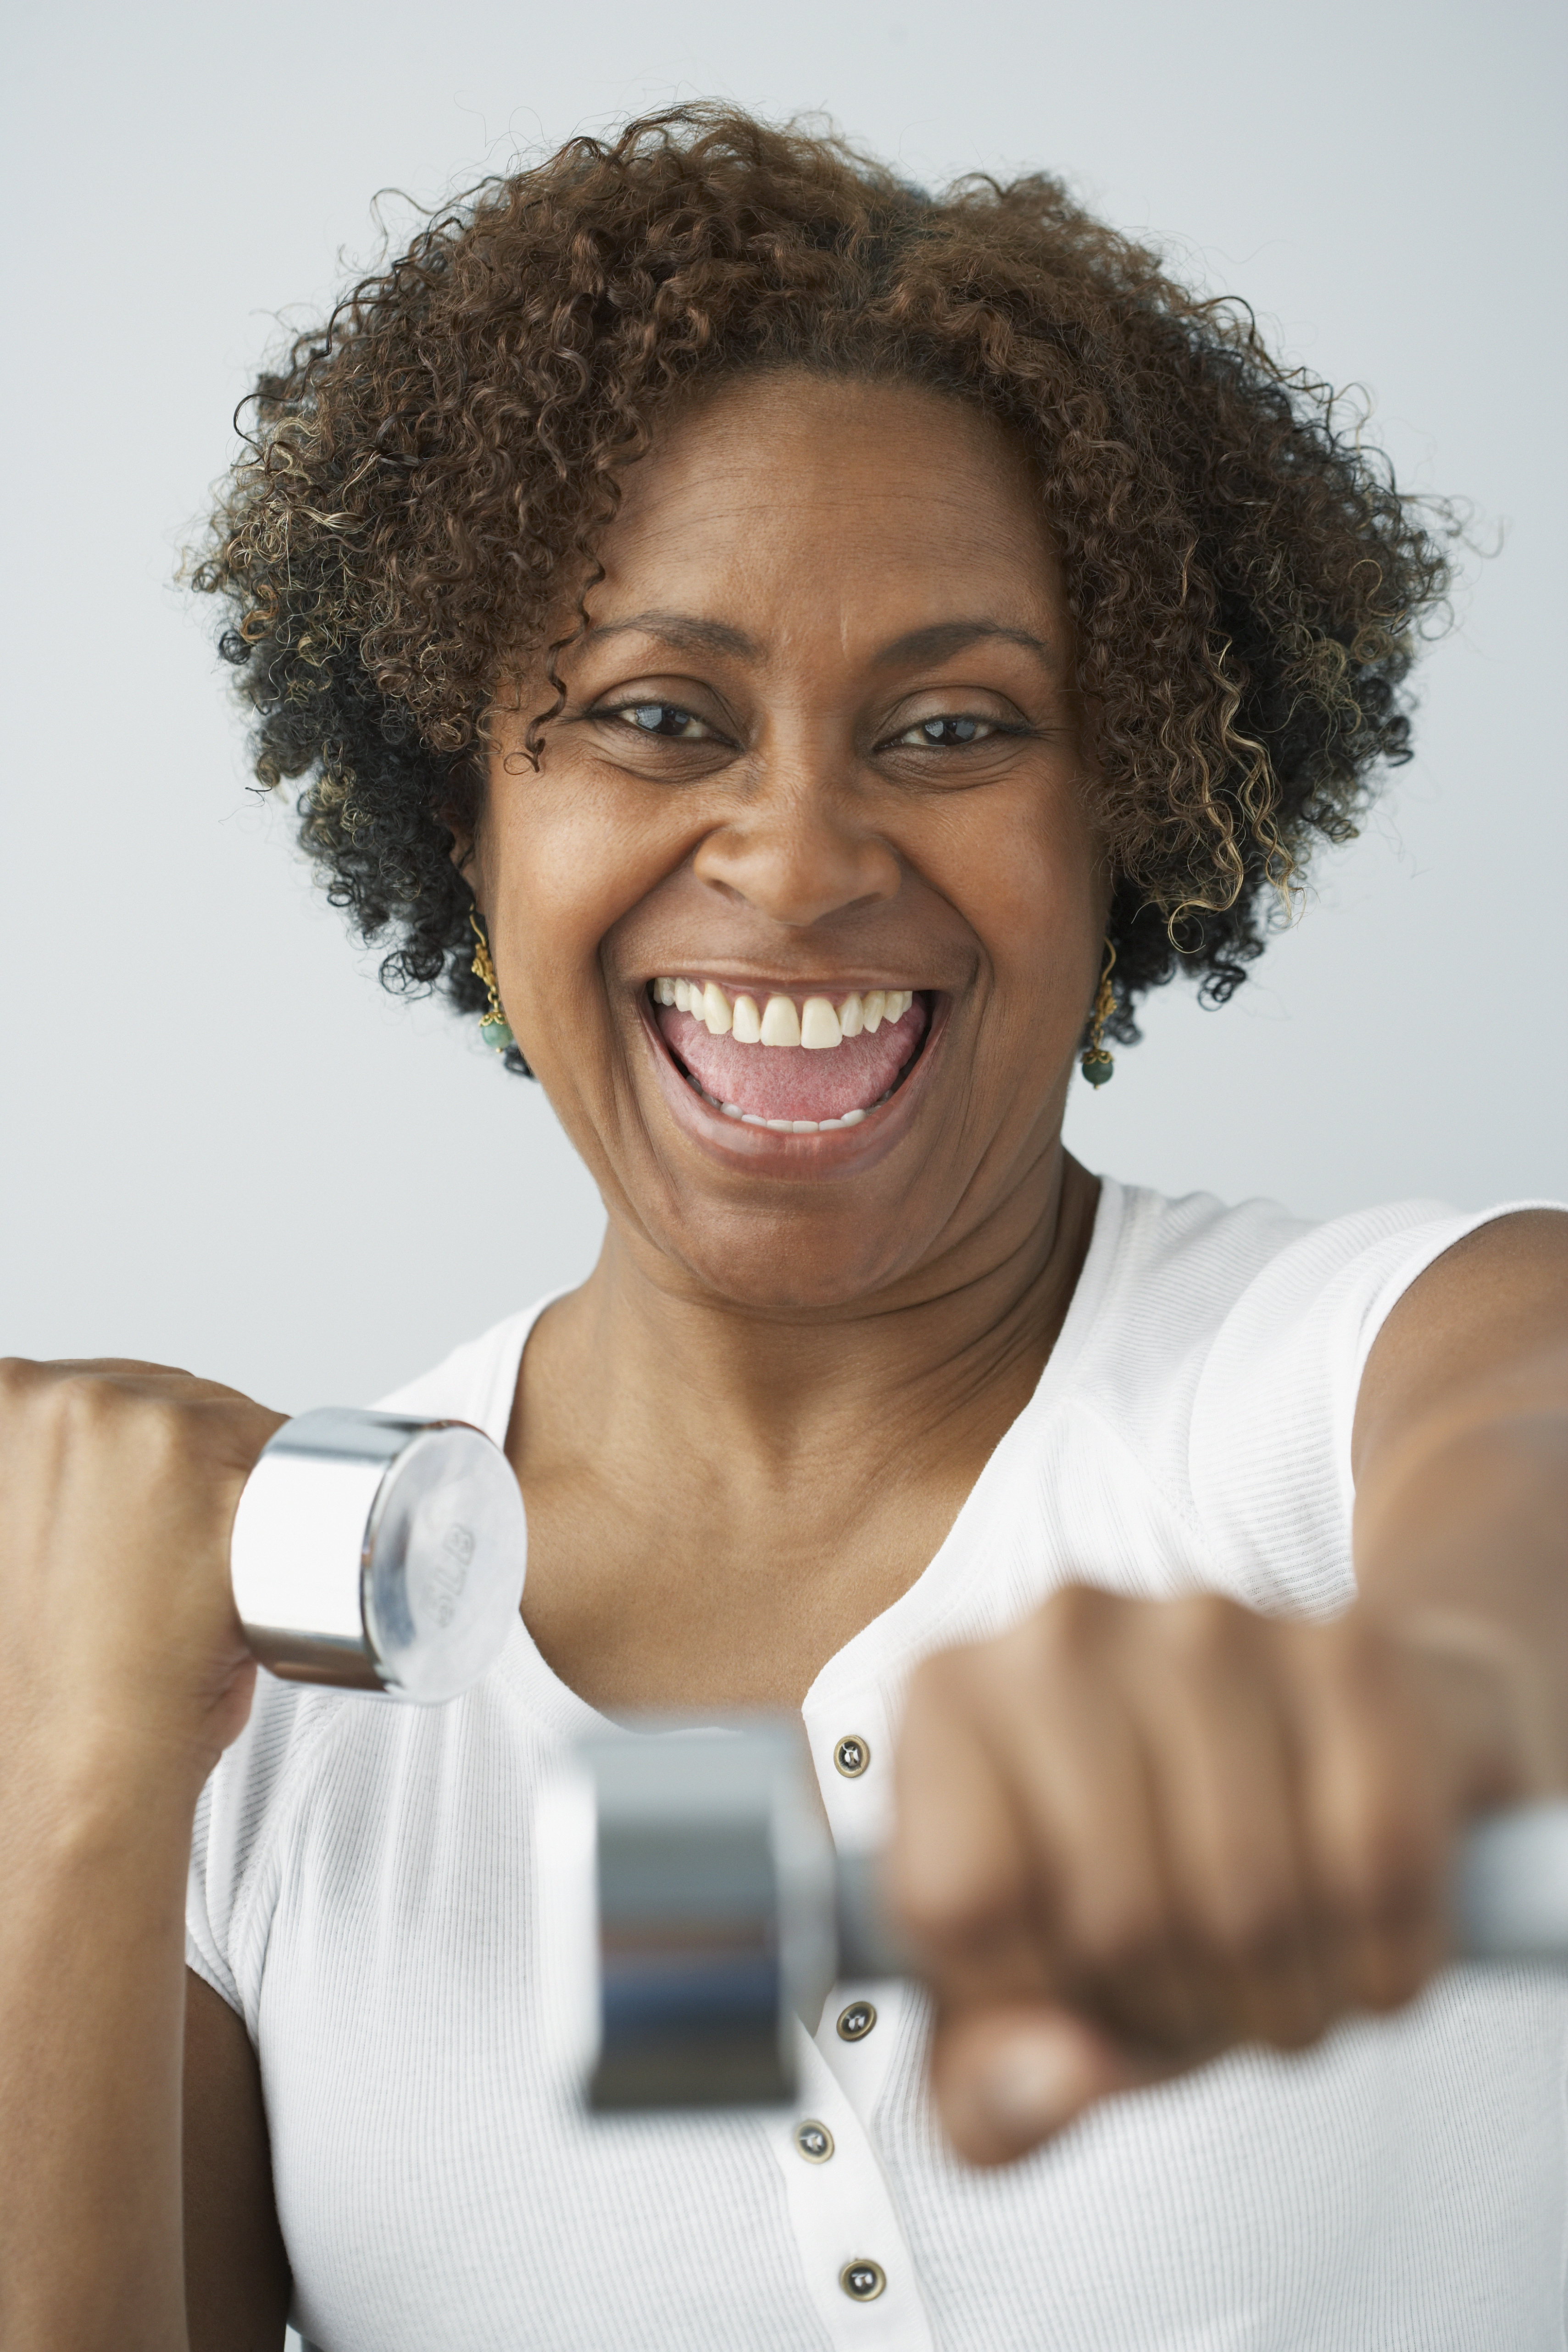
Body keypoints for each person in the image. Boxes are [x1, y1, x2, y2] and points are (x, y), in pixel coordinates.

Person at [2, 105, 1565, 2352]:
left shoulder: (1359, 1385)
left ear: (1135, 824)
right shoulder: (244, 1727)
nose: (804, 852)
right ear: (464, 810)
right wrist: (71, 1785)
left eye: (954, 726)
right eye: (657, 717)